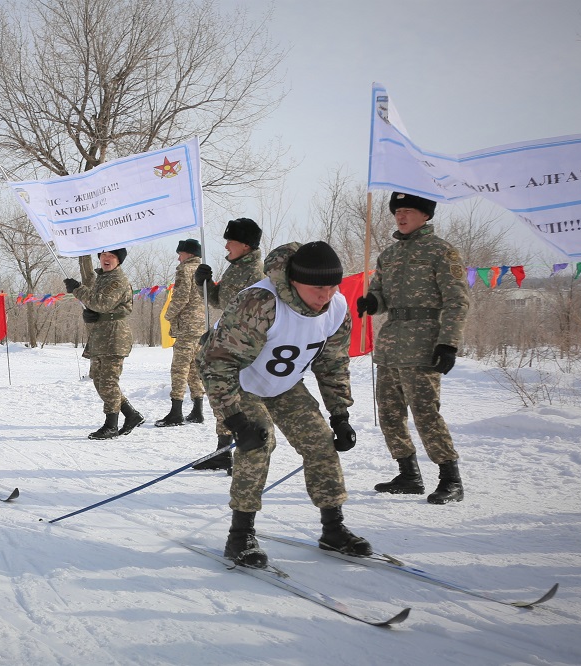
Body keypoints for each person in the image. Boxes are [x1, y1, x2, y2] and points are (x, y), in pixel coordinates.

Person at [199, 241, 371, 569]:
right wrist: (234, 419)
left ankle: (333, 529)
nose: (325, 296)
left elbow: (333, 362)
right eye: (318, 288)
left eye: (332, 287)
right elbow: (217, 361)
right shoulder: (261, 302)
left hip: (283, 384)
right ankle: (240, 536)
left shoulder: (336, 308)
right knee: (259, 441)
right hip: (240, 381)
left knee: (320, 441)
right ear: (294, 281)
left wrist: (340, 414)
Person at [357, 192, 470, 504]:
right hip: (391, 344)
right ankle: (408, 474)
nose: (401, 217)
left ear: (425, 215)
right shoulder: (389, 255)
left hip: (423, 344)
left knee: (425, 413)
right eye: (398, 211)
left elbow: (457, 301)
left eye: (408, 211)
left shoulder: (441, 252)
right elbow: (380, 295)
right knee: (389, 413)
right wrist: (371, 302)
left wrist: (448, 343)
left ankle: (451, 479)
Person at [190, 218, 265, 471]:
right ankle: (223, 451)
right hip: (226, 342)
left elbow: (251, 318)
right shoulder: (236, 268)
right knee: (223, 395)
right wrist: (204, 284)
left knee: (237, 399)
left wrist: (221, 337)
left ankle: (246, 456)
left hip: (241, 349)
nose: (225, 247)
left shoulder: (255, 274)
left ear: (245, 244)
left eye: (230, 241)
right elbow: (219, 302)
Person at [64, 248, 144, 440]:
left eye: (112, 256)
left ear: (119, 261)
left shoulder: (117, 280)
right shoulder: (103, 278)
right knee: (99, 379)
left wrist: (78, 289)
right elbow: (98, 307)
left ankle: (111, 425)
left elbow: (101, 304)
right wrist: (91, 314)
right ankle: (131, 414)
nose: (107, 258)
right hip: (101, 334)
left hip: (114, 336)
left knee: (108, 381)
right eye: (104, 255)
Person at [155, 238, 206, 427]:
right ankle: (198, 410)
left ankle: (176, 412)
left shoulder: (185, 270)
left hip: (186, 327)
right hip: (199, 326)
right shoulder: (202, 269)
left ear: (189, 254)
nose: (178, 258)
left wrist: (167, 315)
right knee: (193, 368)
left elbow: (181, 298)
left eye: (180, 254)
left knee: (179, 369)